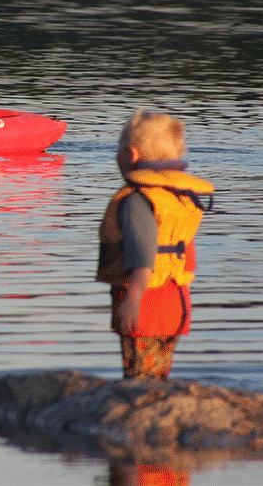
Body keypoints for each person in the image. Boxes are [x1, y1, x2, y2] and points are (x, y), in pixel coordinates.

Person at [97, 109, 214, 380]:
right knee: (157, 377)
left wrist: (132, 301)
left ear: (131, 154)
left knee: (138, 379)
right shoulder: (178, 196)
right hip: (175, 303)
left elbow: (143, 255)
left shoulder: (138, 199)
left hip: (145, 304)